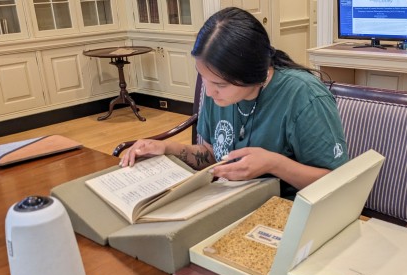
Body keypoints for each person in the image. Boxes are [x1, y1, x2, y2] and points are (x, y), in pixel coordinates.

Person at [120, 7, 348, 198]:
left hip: (288, 213)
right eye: (204, 79)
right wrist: (166, 148)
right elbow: (212, 154)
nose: (209, 93)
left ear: (255, 75)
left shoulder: (303, 96)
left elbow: (338, 184)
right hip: (228, 204)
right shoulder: (218, 93)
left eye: (220, 84)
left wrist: (274, 164)